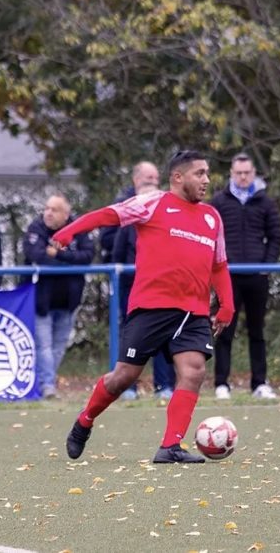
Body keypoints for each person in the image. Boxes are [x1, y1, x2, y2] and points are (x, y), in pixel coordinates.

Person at [53, 150, 235, 464]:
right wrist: (71, 231)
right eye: (199, 173)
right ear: (178, 177)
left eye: (207, 173)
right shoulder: (153, 203)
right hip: (152, 307)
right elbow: (108, 215)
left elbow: (219, 265)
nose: (206, 180)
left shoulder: (212, 217)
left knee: (194, 372)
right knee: (123, 377)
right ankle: (85, 420)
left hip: (193, 312)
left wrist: (227, 305)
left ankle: (170, 447)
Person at [209, 152, 280, 400]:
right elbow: (209, 236)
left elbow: (275, 236)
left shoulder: (265, 202)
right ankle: (221, 383)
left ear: (254, 174)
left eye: (247, 173)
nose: (243, 177)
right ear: (232, 173)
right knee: (224, 330)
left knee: (257, 331)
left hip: (256, 276)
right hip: (227, 276)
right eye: (238, 173)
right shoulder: (219, 201)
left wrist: (267, 265)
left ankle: (259, 383)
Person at [23, 194, 94, 398]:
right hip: (42, 300)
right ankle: (47, 386)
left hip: (69, 299)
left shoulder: (78, 229)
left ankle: (46, 382)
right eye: (46, 208)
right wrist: (69, 262)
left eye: (54, 210)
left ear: (66, 214)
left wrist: (60, 254)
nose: (48, 213)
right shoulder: (36, 227)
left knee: (59, 345)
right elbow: (35, 255)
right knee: (43, 345)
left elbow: (88, 256)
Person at [113, 169, 176, 400]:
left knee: (163, 337)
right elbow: (118, 254)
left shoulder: (170, 224)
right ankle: (128, 387)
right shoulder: (130, 225)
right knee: (132, 338)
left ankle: (164, 386)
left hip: (164, 290)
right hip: (134, 291)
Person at [99, 161, 160, 265]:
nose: (154, 182)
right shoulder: (121, 206)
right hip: (128, 268)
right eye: (150, 178)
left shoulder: (163, 204)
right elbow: (105, 239)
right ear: (136, 180)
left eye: (157, 178)